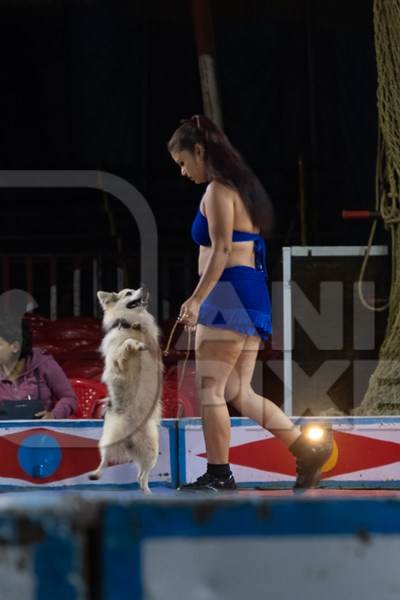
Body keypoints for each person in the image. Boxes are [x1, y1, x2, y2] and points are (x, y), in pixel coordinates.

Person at [168, 114, 333, 491]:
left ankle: (219, 474)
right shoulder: (244, 189)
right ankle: (306, 449)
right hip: (251, 293)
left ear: (199, 151)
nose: (182, 171)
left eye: (182, 162)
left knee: (210, 390)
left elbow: (222, 249)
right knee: (238, 392)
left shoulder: (217, 191)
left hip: (227, 293)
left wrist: (196, 299)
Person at [0, 317, 76, 419]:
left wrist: (54, 415)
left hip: (41, 432)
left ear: (15, 347)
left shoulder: (45, 365)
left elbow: (69, 398)